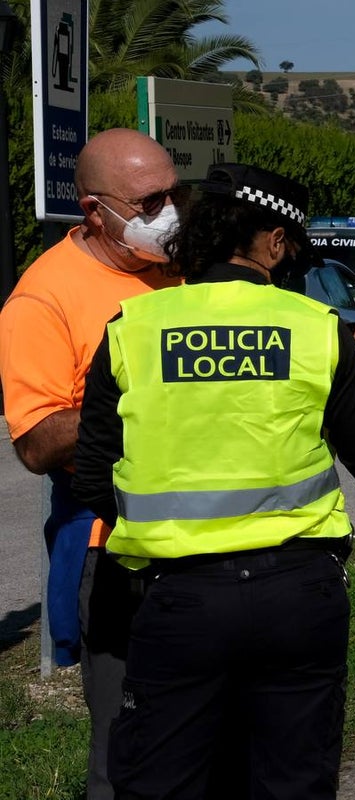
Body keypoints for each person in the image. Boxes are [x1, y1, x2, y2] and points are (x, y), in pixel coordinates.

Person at [72, 162, 355, 799]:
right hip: (299, 597)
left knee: (163, 783)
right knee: (292, 783)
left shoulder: (131, 330)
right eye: (293, 247)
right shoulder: (313, 328)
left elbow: (91, 482)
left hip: (178, 600)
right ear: (274, 242)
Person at [0, 128, 185, 799]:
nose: (170, 212)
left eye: (175, 192)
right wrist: (137, 395)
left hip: (213, 546)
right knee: (123, 752)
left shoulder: (184, 269)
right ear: (93, 211)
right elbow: (36, 442)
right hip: (116, 550)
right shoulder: (43, 297)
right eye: (149, 201)